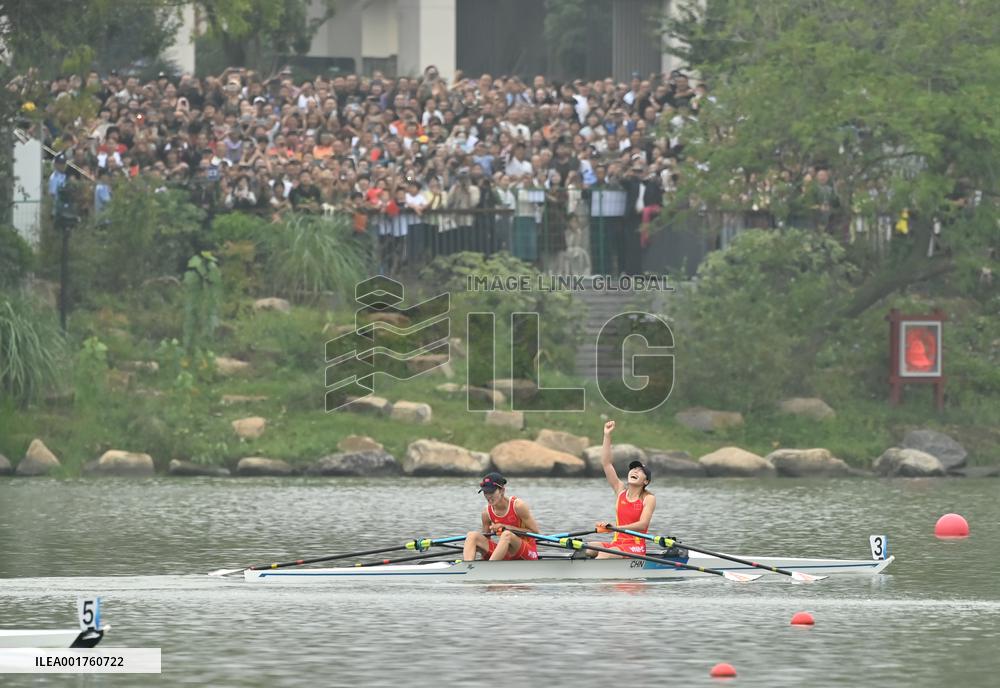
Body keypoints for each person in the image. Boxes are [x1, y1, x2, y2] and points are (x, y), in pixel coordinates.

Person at [586, 420, 655, 558]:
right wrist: (606, 435)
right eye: (633, 469)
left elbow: (643, 525)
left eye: (640, 471)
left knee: (603, 556)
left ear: (646, 481)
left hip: (635, 547)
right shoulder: (620, 491)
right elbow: (606, 464)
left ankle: (594, 575)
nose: (635, 471)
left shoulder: (648, 498)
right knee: (587, 548)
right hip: (617, 543)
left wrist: (615, 527)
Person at [462, 472, 541, 561]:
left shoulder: (518, 506)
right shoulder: (486, 513)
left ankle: (490, 568)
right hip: (505, 554)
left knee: (507, 535)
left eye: (491, 492)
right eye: (485, 492)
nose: (488, 496)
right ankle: (468, 567)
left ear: (502, 490)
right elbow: (486, 540)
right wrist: (480, 551)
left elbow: (536, 533)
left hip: (528, 553)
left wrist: (506, 528)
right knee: (472, 535)